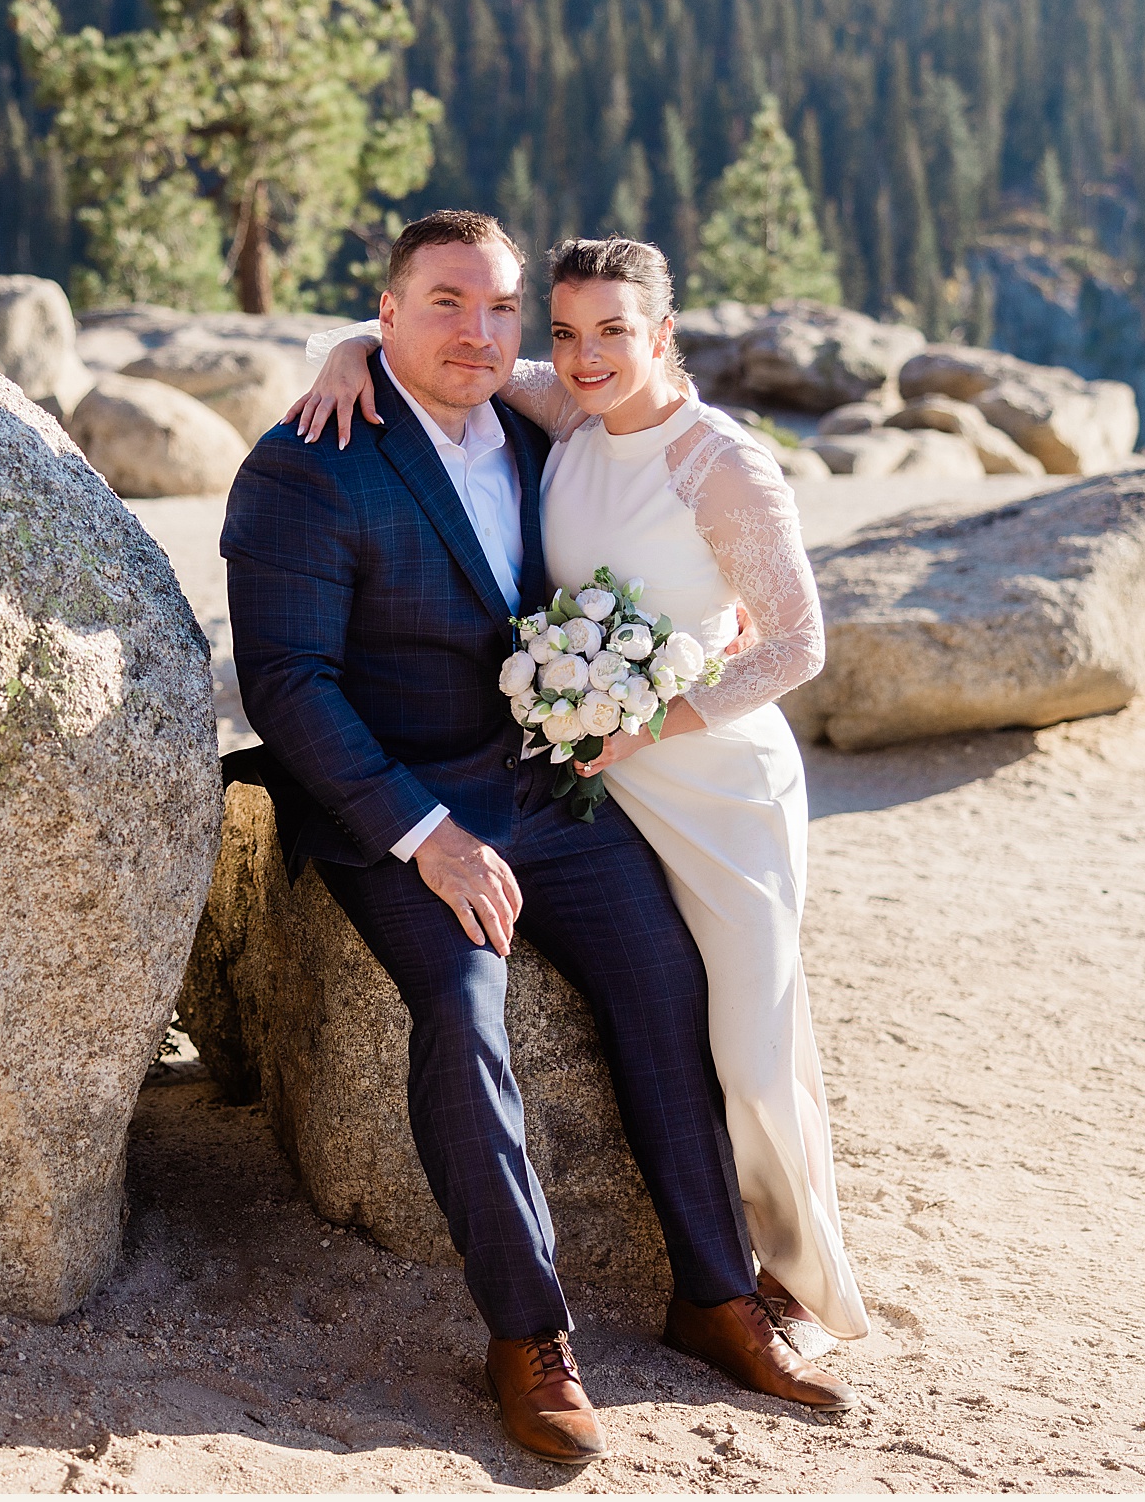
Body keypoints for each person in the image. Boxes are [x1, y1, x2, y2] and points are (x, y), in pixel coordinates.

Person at [222, 213, 852, 1467]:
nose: (482, 332)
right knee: (464, 1014)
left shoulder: (530, 417)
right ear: (387, 313)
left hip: (546, 784)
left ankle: (714, 1292)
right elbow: (287, 683)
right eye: (445, 304)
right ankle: (528, 1334)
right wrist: (425, 835)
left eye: (499, 308)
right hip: (396, 807)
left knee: (665, 980)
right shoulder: (307, 460)